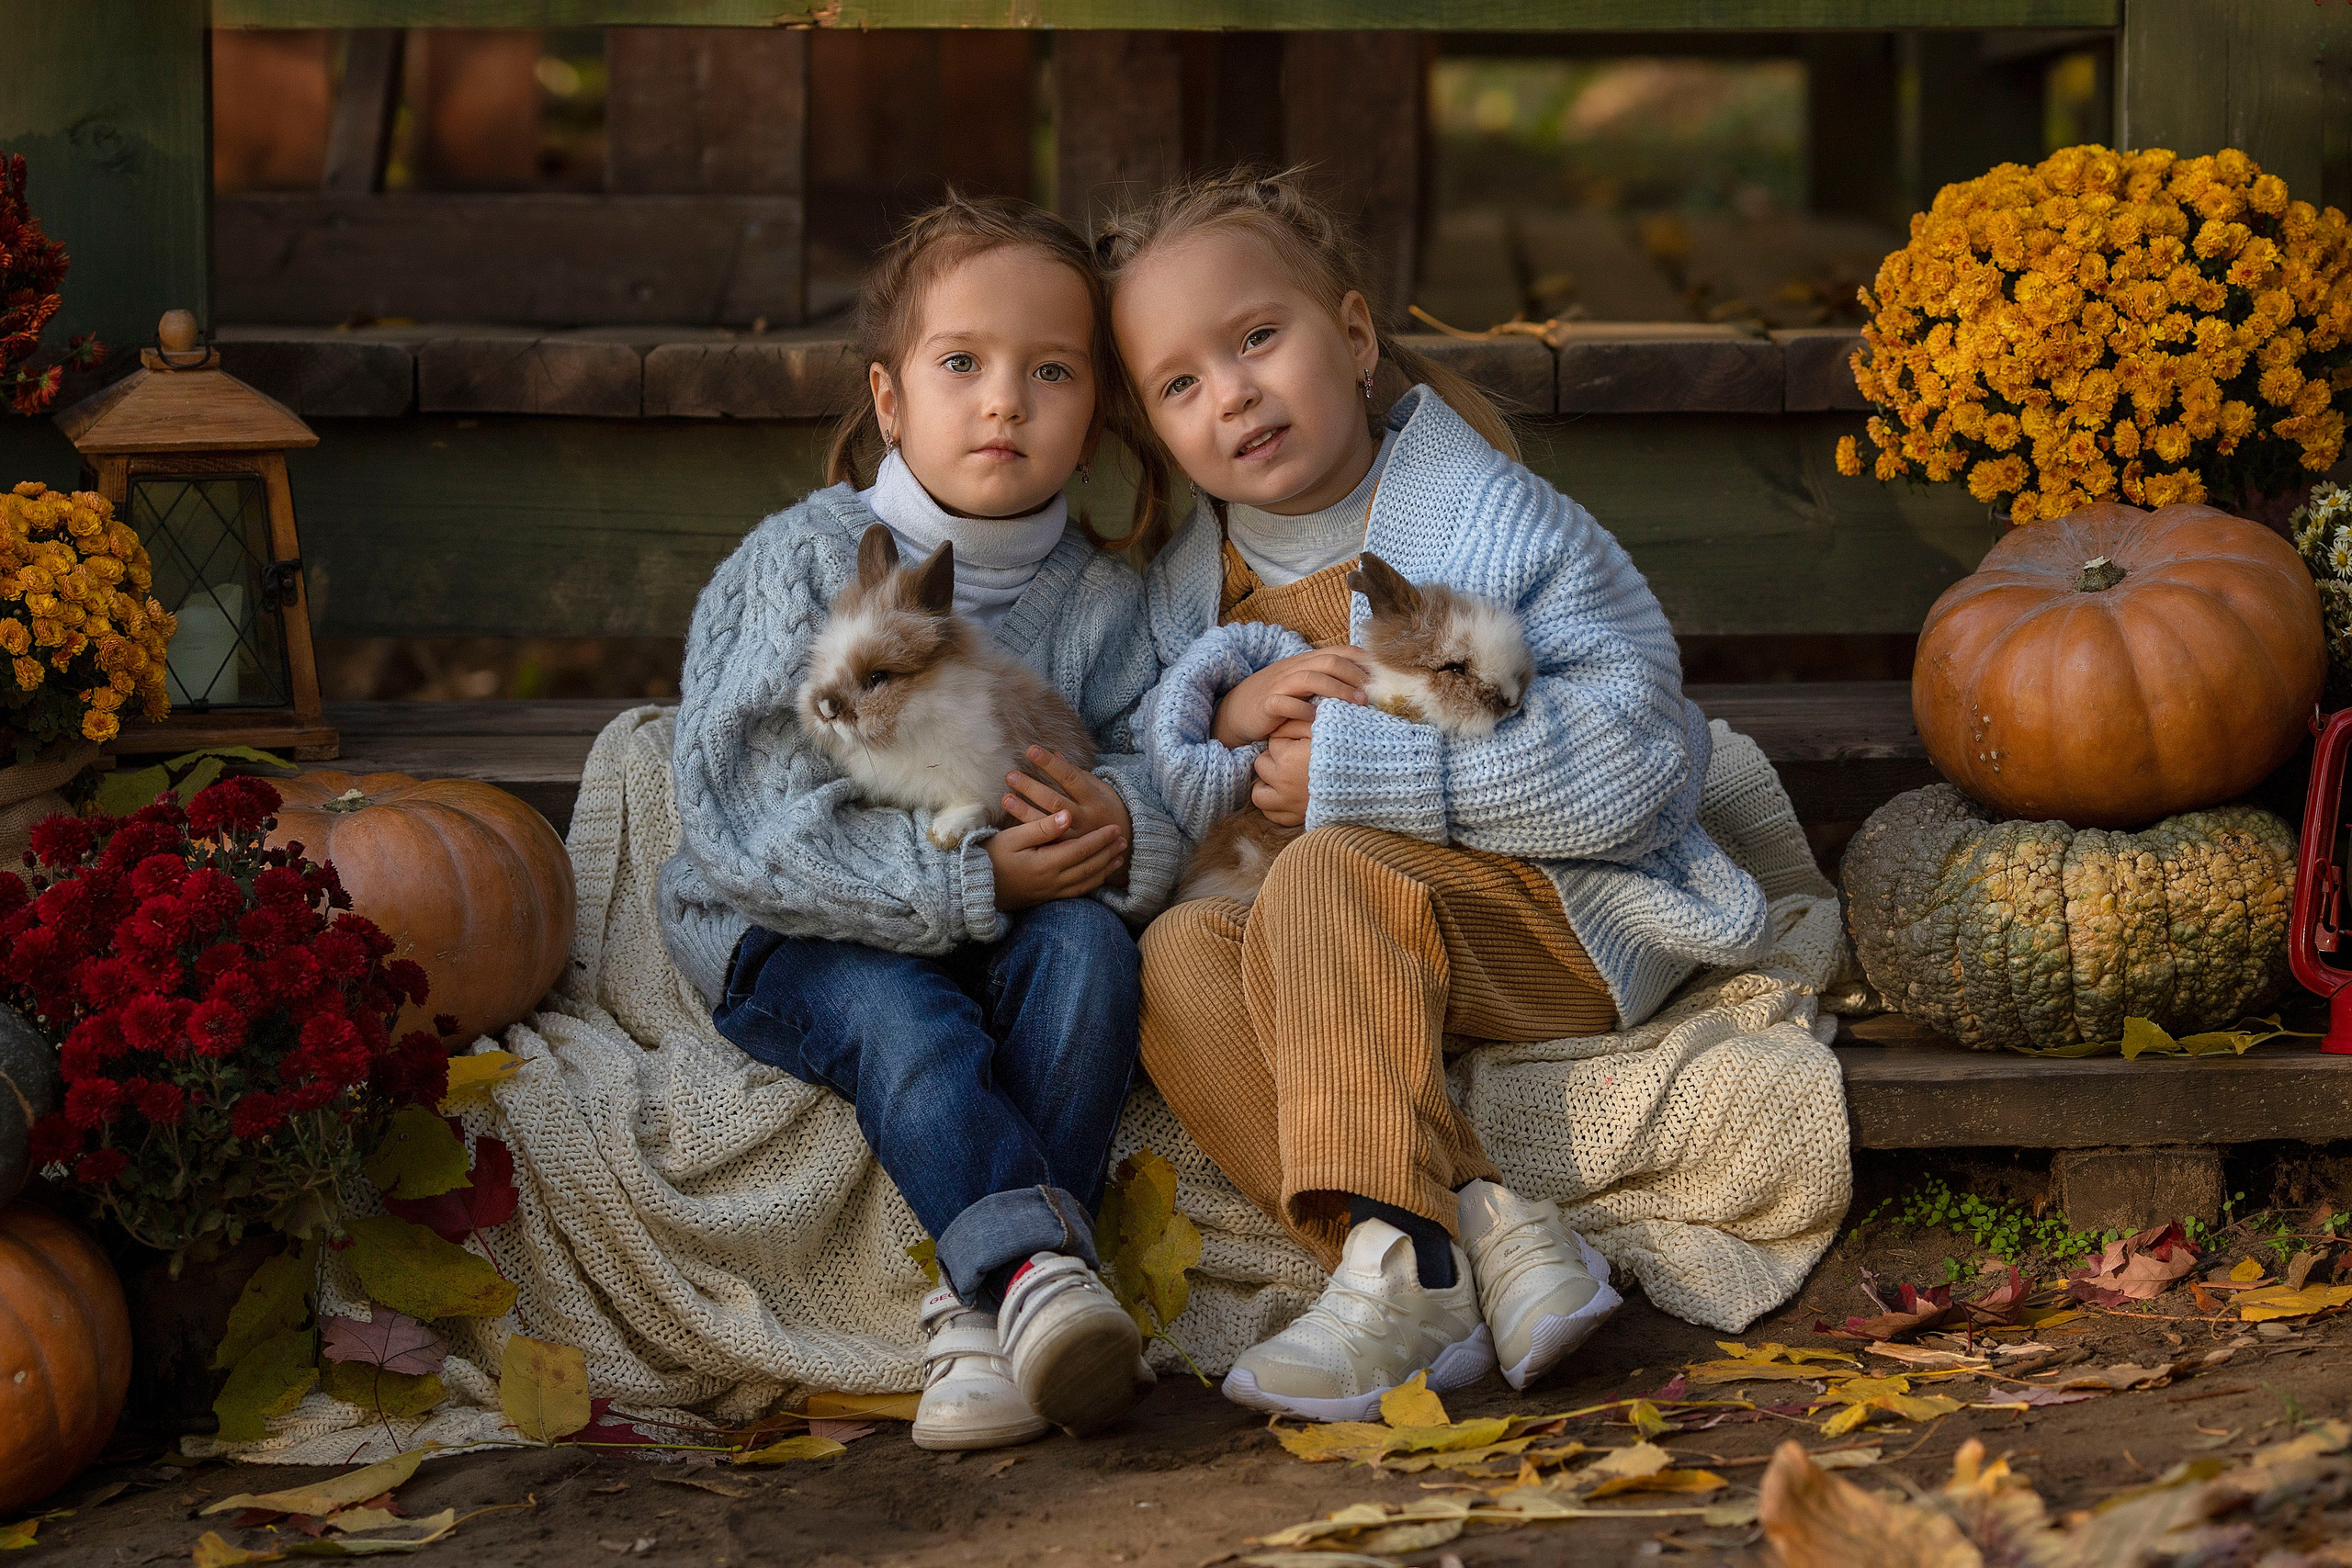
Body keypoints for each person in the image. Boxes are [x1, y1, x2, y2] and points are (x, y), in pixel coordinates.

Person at [1095, 170, 1771, 1422]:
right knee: (1179, 954)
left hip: (1548, 916)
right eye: (1181, 383)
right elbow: (1158, 808)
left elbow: (1634, 768)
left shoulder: (1501, 524)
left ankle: (1410, 1267)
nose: (1232, 392)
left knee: (1327, 865)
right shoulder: (1186, 592)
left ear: (1353, 338)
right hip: (1339, 952)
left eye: (1257, 339)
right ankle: (1449, 1247)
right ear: (1153, 426)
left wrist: (1351, 775)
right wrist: (1219, 730)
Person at [658, 195, 1182, 1451]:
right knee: (909, 1018)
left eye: (1049, 372)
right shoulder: (800, 564)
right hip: (799, 929)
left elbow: (1163, 763)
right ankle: (1026, 1277)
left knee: (1094, 960)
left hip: (1017, 911)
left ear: (1098, 410)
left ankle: (998, 1315)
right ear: (891, 402)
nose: (1003, 401)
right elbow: (744, 806)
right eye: (963, 365)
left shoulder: (1110, 605)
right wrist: (960, 879)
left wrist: (1123, 830)